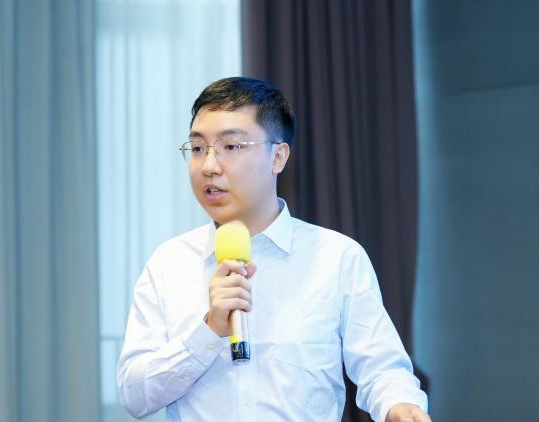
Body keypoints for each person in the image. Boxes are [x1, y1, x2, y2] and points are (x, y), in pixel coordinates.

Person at [116, 77, 430, 421]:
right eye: (198, 148)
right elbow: (134, 395)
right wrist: (208, 330)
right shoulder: (169, 264)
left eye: (231, 146)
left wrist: (400, 406)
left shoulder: (337, 258)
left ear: (277, 156)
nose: (209, 166)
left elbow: (381, 368)